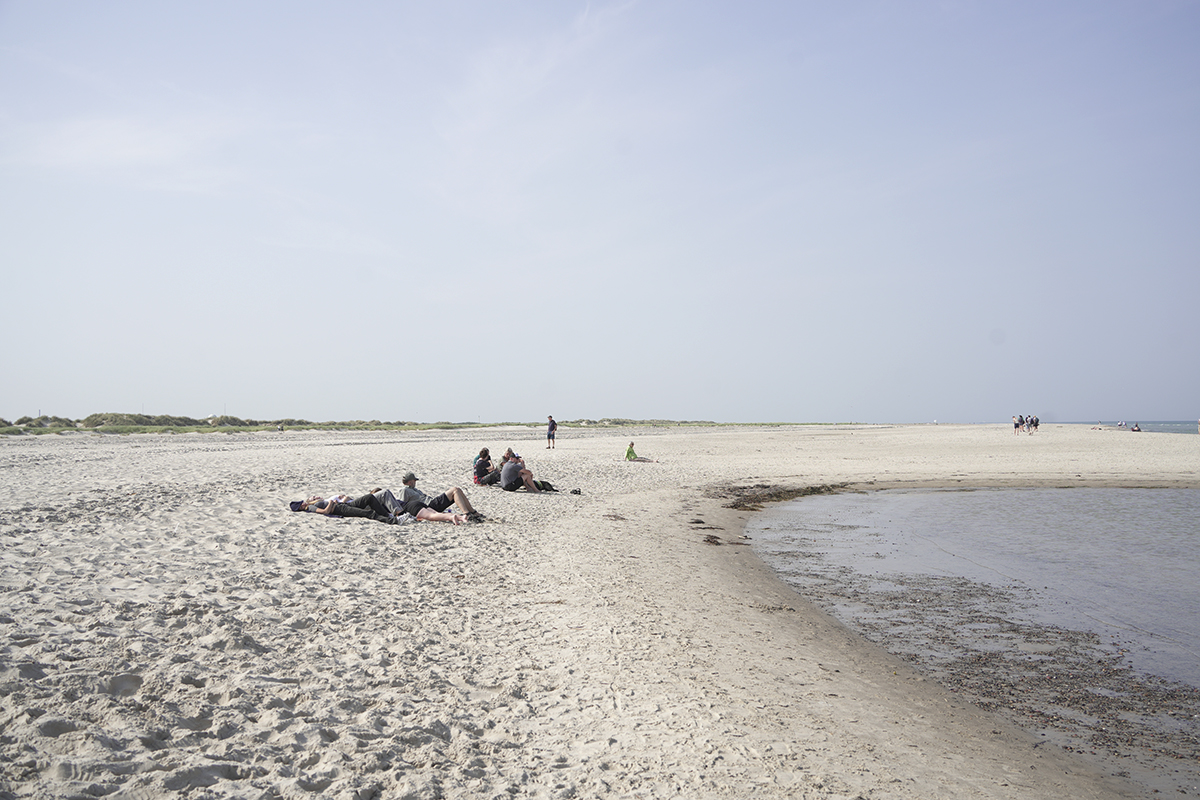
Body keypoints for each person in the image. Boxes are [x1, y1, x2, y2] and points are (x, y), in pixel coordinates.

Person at [401, 472, 483, 522]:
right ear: (410, 481)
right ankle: (467, 513)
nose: (415, 482)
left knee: (458, 490)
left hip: (432, 502)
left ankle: (473, 512)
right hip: (429, 506)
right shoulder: (405, 490)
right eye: (414, 480)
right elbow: (403, 505)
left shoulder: (415, 490)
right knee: (454, 490)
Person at [290, 493, 400, 524]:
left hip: (343, 505)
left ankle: (388, 515)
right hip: (339, 509)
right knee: (368, 513)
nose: (303, 504)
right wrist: (330, 503)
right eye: (301, 505)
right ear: (301, 508)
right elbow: (325, 511)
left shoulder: (311, 504)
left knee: (369, 497)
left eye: (302, 503)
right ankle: (392, 521)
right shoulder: (310, 507)